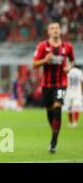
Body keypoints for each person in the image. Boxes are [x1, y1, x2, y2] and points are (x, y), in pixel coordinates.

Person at [33, 22, 74, 154]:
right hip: (46, 85)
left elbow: (72, 60)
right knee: (50, 112)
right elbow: (34, 64)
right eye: (52, 28)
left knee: (57, 106)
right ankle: (54, 131)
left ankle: (53, 141)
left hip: (61, 83)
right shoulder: (42, 46)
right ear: (48, 32)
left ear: (60, 30)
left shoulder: (67, 47)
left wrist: (69, 67)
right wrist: (45, 60)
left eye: (57, 28)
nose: (55, 30)